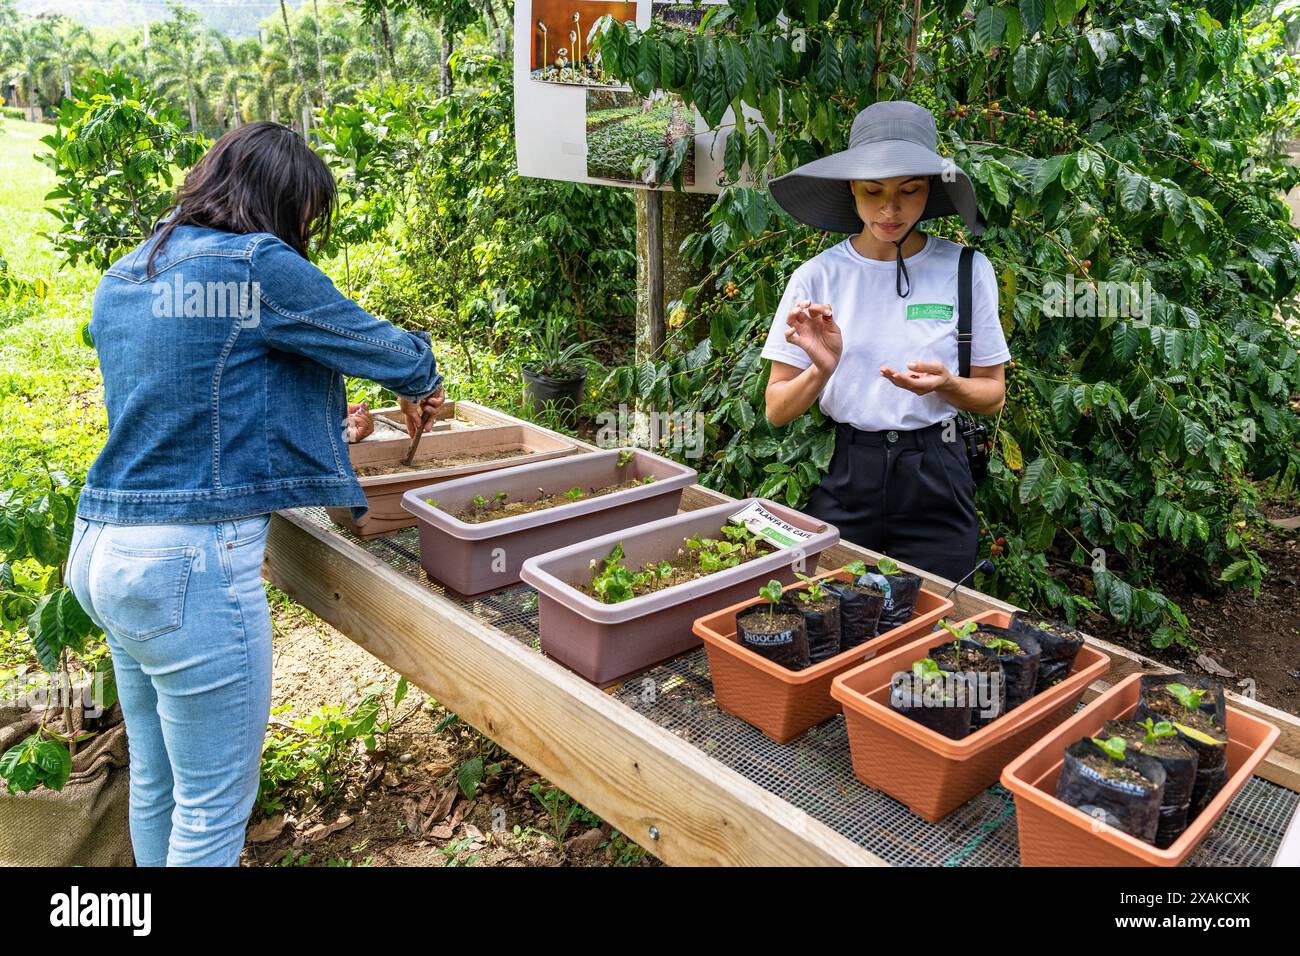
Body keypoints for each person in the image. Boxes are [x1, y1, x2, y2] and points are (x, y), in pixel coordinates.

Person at [66, 121, 445, 866]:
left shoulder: (131, 271)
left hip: (103, 549)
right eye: (308, 216)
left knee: (159, 782)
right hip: (186, 568)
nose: (307, 232)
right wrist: (423, 378)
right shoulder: (255, 266)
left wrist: (328, 425)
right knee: (211, 814)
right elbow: (371, 342)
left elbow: (187, 401)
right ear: (284, 203)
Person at [762, 100, 1010, 583]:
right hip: (852, 471)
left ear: (930, 190)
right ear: (851, 187)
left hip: (937, 473)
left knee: (936, 624)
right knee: (834, 611)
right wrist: (822, 369)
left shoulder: (966, 270)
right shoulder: (817, 277)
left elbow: (992, 394)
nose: (890, 209)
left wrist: (946, 386)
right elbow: (776, 409)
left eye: (909, 191)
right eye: (873, 191)